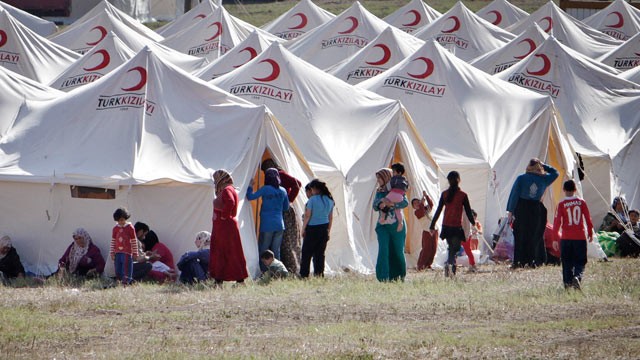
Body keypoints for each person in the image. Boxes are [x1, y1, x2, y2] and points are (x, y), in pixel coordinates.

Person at [506, 158, 559, 268]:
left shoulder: (521, 178)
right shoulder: (544, 179)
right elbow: (555, 173)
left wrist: (510, 211)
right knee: (533, 235)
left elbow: (514, 194)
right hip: (536, 208)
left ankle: (518, 262)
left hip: (522, 208)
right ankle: (531, 261)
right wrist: (544, 165)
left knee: (520, 235)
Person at [430, 171, 476, 277]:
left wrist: (432, 225)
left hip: (446, 226)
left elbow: (438, 210)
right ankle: (450, 267)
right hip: (456, 227)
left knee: (451, 247)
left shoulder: (444, 194)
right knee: (454, 250)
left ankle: (449, 267)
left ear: (448, 181)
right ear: (459, 180)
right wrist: (473, 223)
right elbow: (469, 212)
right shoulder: (463, 195)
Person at [261, 159, 302, 275]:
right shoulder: (273, 178)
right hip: (279, 211)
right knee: (282, 241)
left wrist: (289, 199)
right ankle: (284, 267)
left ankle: (292, 267)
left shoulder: (281, 175)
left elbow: (297, 184)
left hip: (285, 211)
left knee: (288, 240)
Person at [552, 180, 594, 290]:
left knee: (566, 262)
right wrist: (590, 232)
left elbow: (557, 223)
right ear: (575, 190)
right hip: (579, 237)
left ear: (564, 190)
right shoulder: (581, 202)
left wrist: (555, 239)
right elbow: (588, 219)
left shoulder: (561, 204)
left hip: (566, 238)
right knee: (580, 261)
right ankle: (577, 276)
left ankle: (567, 284)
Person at [246, 168, 289, 272]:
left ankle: (264, 272)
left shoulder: (266, 189)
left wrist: (250, 186)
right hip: (279, 224)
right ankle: (278, 272)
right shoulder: (283, 190)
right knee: (276, 251)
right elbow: (286, 207)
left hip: (267, 224)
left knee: (263, 250)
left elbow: (250, 197)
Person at [210, 169, 248, 285]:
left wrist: (224, 216)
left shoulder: (227, 190)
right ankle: (220, 279)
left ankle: (221, 280)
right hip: (223, 227)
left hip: (225, 227)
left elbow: (230, 202)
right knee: (228, 252)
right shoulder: (229, 189)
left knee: (225, 252)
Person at [373, 168, 408, 282]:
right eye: (377, 178)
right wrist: (381, 203)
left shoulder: (397, 189)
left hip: (397, 225)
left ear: (386, 177)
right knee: (384, 249)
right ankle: (383, 277)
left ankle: (398, 277)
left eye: (380, 178)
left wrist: (392, 204)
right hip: (383, 226)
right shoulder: (379, 191)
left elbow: (405, 202)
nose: (378, 180)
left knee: (397, 251)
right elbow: (374, 206)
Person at [300, 179, 334, 278]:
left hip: (312, 228)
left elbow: (307, 216)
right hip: (324, 228)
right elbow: (330, 217)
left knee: (306, 253)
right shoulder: (330, 200)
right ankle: (319, 274)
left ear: (315, 189)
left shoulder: (312, 200)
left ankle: (304, 275)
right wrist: (328, 230)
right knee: (320, 254)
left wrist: (303, 229)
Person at [110, 207, 138, 285]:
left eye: (122, 220)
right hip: (117, 252)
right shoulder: (115, 229)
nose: (121, 222)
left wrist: (135, 252)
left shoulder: (130, 228)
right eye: (119, 220)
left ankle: (126, 282)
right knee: (118, 268)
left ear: (125, 218)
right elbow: (113, 241)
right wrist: (112, 252)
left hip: (127, 252)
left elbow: (133, 240)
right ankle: (118, 281)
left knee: (126, 268)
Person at [412, 190, 437, 271]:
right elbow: (422, 213)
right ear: (414, 207)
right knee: (426, 248)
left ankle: (428, 264)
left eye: (417, 202)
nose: (417, 204)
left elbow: (431, 204)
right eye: (415, 204)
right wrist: (421, 203)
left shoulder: (426, 208)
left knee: (434, 248)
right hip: (427, 231)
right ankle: (420, 265)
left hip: (434, 229)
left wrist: (426, 196)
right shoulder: (417, 212)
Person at [382, 163, 409, 232]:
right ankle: (400, 222)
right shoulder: (405, 180)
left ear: (399, 173)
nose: (393, 173)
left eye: (393, 172)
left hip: (393, 194)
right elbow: (406, 188)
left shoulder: (394, 179)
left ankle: (383, 217)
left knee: (384, 201)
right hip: (400, 196)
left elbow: (388, 187)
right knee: (398, 210)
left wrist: (384, 189)